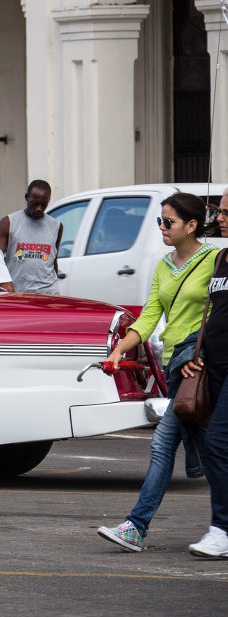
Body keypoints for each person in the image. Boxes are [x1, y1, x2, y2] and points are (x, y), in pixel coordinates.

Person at [97, 193, 216, 551]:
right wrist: (119, 349)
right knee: (213, 451)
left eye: (169, 222)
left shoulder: (214, 260)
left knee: (166, 443)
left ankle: (135, 526)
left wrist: (208, 352)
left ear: (191, 226)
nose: (162, 228)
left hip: (199, 369)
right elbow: (150, 316)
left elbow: (220, 314)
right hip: (175, 370)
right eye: (159, 221)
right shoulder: (164, 265)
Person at [181, 248, 228, 558]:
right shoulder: (222, 257)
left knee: (216, 443)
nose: (220, 217)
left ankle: (222, 529)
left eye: (225, 212)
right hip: (214, 365)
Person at [0, 180, 62, 293]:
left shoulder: (56, 226)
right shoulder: (8, 223)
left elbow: (53, 259)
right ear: (27, 197)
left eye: (43, 204)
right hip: (19, 293)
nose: (39, 208)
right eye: (35, 203)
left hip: (48, 293)